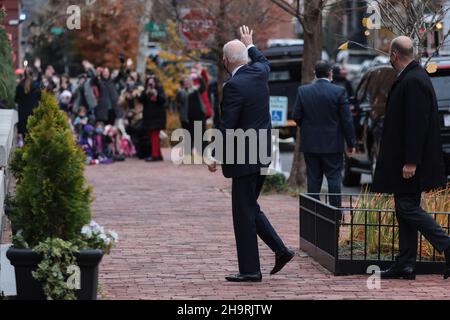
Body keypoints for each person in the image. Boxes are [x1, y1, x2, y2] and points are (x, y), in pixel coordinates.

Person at [207, 26, 294, 283]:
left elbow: (228, 125)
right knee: (249, 208)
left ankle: (250, 270)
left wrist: (215, 154)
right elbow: (263, 59)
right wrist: (250, 43)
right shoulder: (259, 72)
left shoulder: (234, 85)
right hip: (262, 153)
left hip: (244, 156)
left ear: (225, 61)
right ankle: (280, 251)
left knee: (242, 212)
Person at [372, 36, 450, 280]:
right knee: (403, 208)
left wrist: (411, 162)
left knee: (407, 207)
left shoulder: (414, 80)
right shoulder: (412, 76)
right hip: (404, 160)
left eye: (389, 53)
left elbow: (416, 125)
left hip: (409, 162)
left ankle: (446, 245)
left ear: (394, 54)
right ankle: (405, 264)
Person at [293, 61, 356, 208]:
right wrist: (351, 143)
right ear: (330, 73)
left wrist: (307, 128)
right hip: (333, 144)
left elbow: (297, 115)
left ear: (315, 74)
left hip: (311, 143)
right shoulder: (339, 91)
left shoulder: (303, 91)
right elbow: (347, 120)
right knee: (334, 178)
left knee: (313, 180)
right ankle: (335, 212)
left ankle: (314, 214)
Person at [138, 76, 167, 162]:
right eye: (149, 82)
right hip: (148, 117)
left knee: (155, 136)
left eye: (152, 82)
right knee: (152, 136)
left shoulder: (160, 89)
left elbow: (163, 100)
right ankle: (158, 154)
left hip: (157, 117)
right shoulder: (145, 90)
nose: (150, 84)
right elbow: (140, 100)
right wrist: (146, 93)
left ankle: (154, 155)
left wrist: (156, 94)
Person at [15, 67, 42, 138]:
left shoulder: (19, 85)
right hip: (33, 113)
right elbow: (40, 98)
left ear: (24, 74)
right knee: (34, 135)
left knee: (25, 136)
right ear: (32, 74)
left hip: (23, 114)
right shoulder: (36, 85)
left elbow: (16, 100)